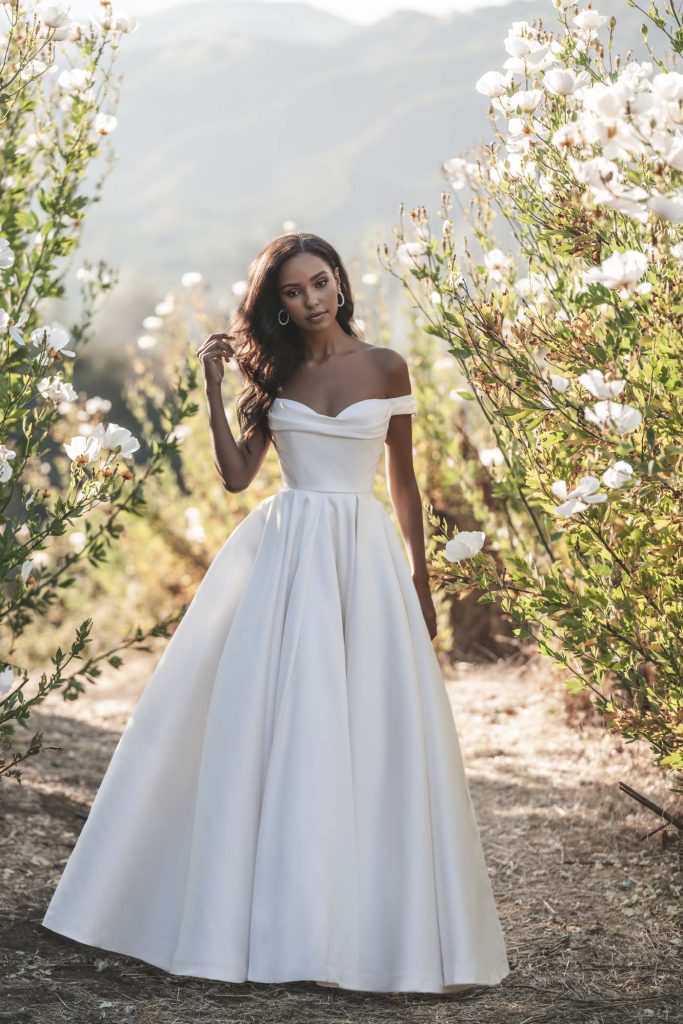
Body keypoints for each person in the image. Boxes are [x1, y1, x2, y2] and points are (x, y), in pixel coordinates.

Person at [42, 231, 511, 994]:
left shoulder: (386, 366)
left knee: (369, 727)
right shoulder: (277, 373)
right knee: (276, 724)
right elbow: (234, 477)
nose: (312, 299)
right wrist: (213, 388)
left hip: (361, 559)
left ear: (340, 283)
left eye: (320, 283)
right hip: (286, 556)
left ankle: (367, 927)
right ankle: (263, 919)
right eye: (293, 292)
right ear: (277, 306)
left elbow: (403, 487)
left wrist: (420, 581)